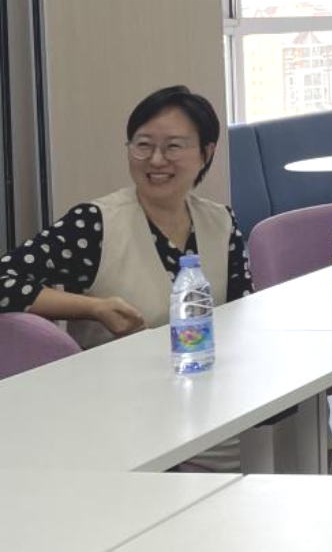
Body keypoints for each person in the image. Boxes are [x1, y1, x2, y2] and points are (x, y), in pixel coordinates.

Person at [0, 86, 253, 470]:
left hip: (207, 401)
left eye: (173, 147)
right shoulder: (94, 224)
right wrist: (93, 308)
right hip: (122, 416)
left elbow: (243, 313)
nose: (156, 160)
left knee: (284, 428)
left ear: (207, 152)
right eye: (143, 145)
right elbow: (5, 279)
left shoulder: (221, 221)